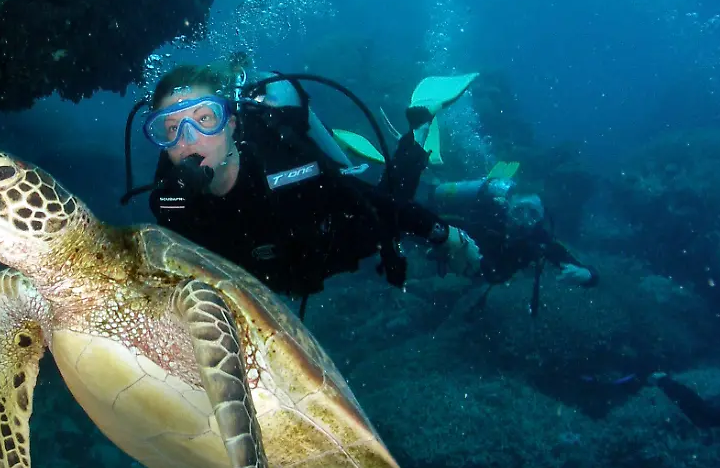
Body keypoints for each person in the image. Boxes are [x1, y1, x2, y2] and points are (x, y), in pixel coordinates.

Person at [140, 60, 481, 305]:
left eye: (204, 119)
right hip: (273, 274)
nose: (189, 140)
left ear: (230, 125)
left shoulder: (283, 166)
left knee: (387, 208)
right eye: (171, 129)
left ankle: (419, 126)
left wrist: (447, 235)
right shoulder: (170, 201)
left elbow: (373, 202)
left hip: (328, 243)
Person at [424, 162, 598, 314]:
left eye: (532, 214)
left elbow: (579, 266)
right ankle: (435, 180)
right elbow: (444, 220)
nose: (524, 220)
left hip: (486, 271)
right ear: (508, 208)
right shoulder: (489, 220)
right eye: (519, 211)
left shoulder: (539, 239)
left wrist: (587, 274)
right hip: (472, 264)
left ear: (540, 218)